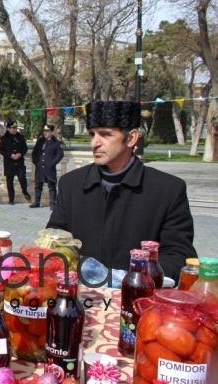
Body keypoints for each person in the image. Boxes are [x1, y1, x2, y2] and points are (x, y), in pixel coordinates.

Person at [47, 101, 197, 282]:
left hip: (138, 300)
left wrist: (136, 279)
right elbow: (54, 240)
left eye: (105, 135)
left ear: (132, 138)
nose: (95, 143)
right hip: (81, 298)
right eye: (92, 134)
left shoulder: (168, 190)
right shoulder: (71, 185)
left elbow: (178, 254)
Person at [30, 124, 64, 210]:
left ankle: (52, 203)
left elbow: (60, 154)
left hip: (49, 168)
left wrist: (52, 163)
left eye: (47, 131)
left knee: (51, 186)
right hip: (40, 167)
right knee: (38, 184)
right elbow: (34, 153)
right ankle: (37, 201)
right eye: (44, 131)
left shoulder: (55, 142)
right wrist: (36, 161)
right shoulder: (40, 141)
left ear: (52, 132)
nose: (45, 133)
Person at [0, 120, 31, 205]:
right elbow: (1, 150)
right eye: (12, 128)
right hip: (9, 162)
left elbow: (25, 148)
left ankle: (25, 191)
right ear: (8, 128)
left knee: (22, 179)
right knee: (10, 183)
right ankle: (11, 199)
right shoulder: (4, 138)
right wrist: (10, 155)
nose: (14, 130)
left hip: (19, 162)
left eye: (15, 128)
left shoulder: (21, 137)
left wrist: (20, 154)